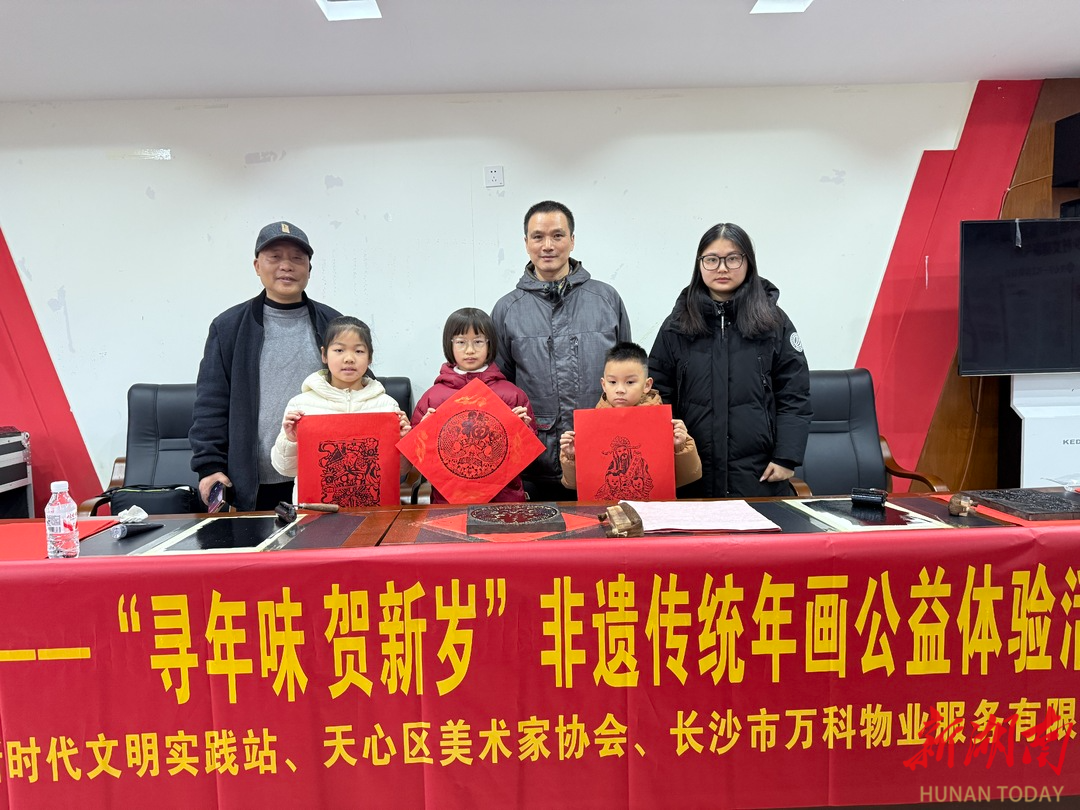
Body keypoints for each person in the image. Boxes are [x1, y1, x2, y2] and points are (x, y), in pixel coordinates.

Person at [649, 222, 811, 499]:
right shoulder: (676, 324)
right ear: (700, 264)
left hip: (758, 475)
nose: (722, 268)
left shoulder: (774, 322)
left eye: (733, 258)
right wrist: (669, 453)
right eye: (712, 259)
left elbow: (794, 393)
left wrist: (786, 457)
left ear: (748, 262)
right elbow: (656, 396)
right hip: (692, 475)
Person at [190, 221, 341, 511]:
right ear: (257, 266)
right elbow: (211, 402)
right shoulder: (229, 327)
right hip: (254, 482)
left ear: (309, 269)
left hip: (323, 475)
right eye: (275, 257)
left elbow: (360, 386)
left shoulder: (334, 324)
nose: (286, 266)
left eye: (297, 258)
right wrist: (209, 466)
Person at [491, 200, 631, 501]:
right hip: (535, 461)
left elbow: (628, 375)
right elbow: (499, 385)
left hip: (603, 453)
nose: (548, 246)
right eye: (538, 237)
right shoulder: (507, 309)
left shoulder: (606, 299)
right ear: (526, 243)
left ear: (572, 240)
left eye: (557, 235)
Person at [271, 316, 410, 503]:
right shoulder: (301, 406)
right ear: (324, 355)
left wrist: (404, 441)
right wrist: (290, 439)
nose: (349, 358)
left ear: (370, 357)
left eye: (359, 351)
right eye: (339, 350)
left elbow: (401, 470)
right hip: (317, 511)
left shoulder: (387, 406)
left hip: (374, 511)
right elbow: (285, 469)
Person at [412, 308, 537, 504]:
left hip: (504, 501)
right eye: (461, 342)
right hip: (449, 502)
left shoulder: (512, 395)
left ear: (490, 344)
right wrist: (423, 432)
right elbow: (418, 457)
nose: (470, 350)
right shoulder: (433, 397)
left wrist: (524, 430)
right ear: (449, 345)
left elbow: (528, 459)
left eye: (478, 342)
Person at [558, 341, 702, 492]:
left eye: (630, 382)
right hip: (607, 505)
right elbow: (575, 485)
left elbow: (689, 476)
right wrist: (572, 456)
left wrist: (679, 446)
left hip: (650, 504)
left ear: (647, 385)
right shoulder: (591, 426)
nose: (620, 389)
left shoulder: (664, 423)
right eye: (612, 382)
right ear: (603, 385)